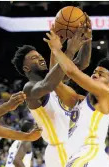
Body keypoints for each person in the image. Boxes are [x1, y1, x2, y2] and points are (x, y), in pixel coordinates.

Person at [12, 23, 90, 167]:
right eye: (34, 58)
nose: (41, 58)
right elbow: (47, 85)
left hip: (73, 146)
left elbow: (81, 64)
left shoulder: (55, 79)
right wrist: (69, 50)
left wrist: (86, 39)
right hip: (59, 149)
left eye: (40, 55)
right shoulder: (30, 88)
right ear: (26, 68)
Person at [43, 30, 109, 167]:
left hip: (90, 157)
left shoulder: (106, 95)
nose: (95, 75)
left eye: (101, 74)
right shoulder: (79, 101)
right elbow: (54, 82)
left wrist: (59, 50)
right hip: (77, 158)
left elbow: (72, 71)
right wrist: (53, 51)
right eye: (94, 72)